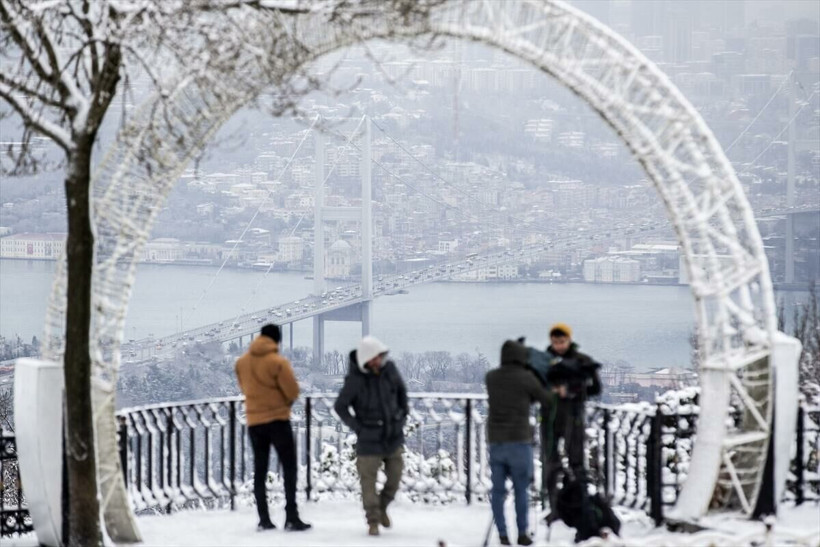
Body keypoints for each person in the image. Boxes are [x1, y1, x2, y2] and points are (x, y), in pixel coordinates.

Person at [235, 324, 311, 532]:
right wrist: (282, 403)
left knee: (260, 470)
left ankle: (264, 519)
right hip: (278, 420)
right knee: (289, 467)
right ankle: (291, 516)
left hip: (255, 422)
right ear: (277, 340)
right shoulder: (278, 362)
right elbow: (292, 391)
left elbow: (244, 388)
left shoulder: (242, 362)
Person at [334, 335, 408, 537]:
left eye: (380, 356)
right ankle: (373, 521)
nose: (379, 360)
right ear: (366, 359)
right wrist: (358, 427)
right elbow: (340, 406)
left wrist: (401, 417)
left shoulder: (389, 370)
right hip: (368, 440)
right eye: (375, 357)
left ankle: (382, 507)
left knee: (395, 477)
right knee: (368, 483)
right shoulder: (355, 379)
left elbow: (402, 394)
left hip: (392, 437)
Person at [485, 339, 555, 546]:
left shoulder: (491, 377)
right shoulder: (526, 378)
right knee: (521, 490)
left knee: (498, 491)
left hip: (496, 441)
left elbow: (509, 396)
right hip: (519, 441)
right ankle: (522, 532)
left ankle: (503, 533)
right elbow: (546, 399)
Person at [542, 323, 601, 534]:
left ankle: (582, 507)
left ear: (569, 340)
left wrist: (572, 391)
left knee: (577, 464)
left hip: (573, 418)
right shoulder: (544, 361)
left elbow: (595, 388)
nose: (558, 345)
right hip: (550, 419)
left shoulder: (581, 361)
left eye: (562, 341)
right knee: (550, 464)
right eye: (555, 342)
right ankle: (555, 507)